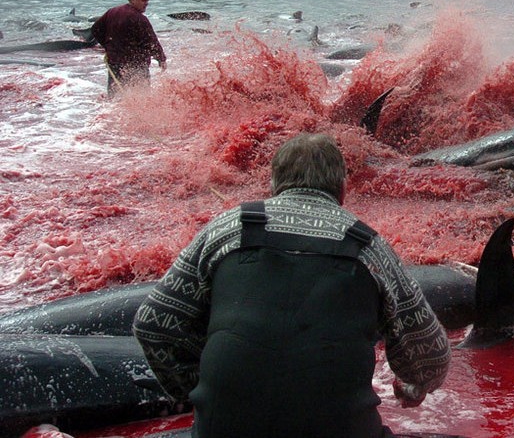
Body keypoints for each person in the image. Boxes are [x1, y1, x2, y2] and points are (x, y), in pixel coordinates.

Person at [133, 132, 451, 438]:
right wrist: (413, 386)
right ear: (342, 190)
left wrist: (193, 387)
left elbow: (152, 325)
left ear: (273, 185)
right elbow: (431, 356)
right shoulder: (368, 247)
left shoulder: (227, 229)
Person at [90, 0, 166, 97]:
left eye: (147, 1)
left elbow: (95, 30)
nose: (146, 4)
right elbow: (151, 42)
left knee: (114, 97)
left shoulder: (112, 12)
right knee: (142, 97)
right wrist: (161, 59)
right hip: (136, 65)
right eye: (143, 0)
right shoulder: (140, 19)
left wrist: (107, 46)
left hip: (115, 62)